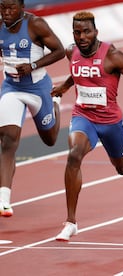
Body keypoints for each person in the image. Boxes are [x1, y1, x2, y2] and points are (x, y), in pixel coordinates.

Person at [51, 11, 123, 241]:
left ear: (96, 31)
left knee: (122, 168)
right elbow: (78, 73)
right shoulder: (71, 51)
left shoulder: (113, 56)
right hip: (83, 117)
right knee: (74, 155)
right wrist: (65, 87)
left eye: (86, 31)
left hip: (110, 122)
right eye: (77, 32)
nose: (81, 37)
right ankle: (70, 222)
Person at [0, 0, 65, 217]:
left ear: (21, 7)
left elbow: (60, 51)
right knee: (8, 140)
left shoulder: (36, 24)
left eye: (10, 8)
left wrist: (33, 66)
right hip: (11, 88)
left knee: (50, 139)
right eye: (2, 7)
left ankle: (56, 103)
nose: (6, 12)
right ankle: (4, 200)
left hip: (38, 89)